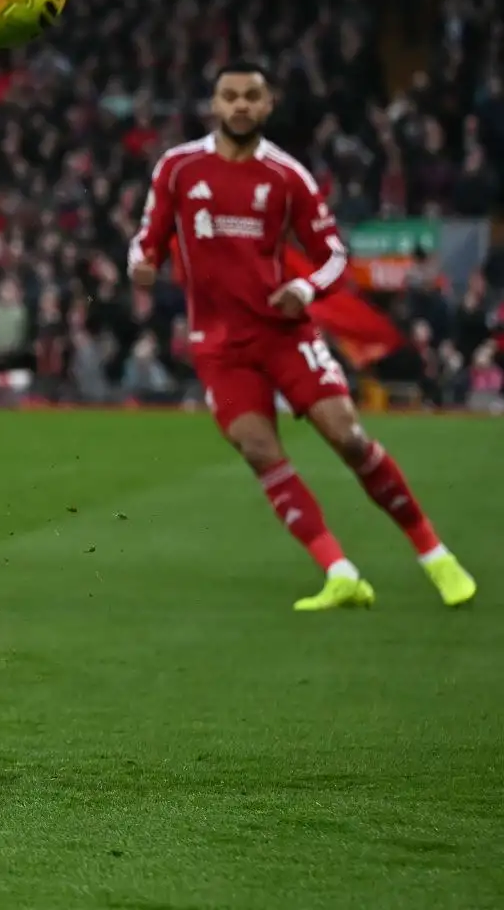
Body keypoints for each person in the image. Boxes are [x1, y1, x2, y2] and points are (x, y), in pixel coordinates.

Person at [129, 61, 476, 611]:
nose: (240, 105)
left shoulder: (288, 176)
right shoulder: (177, 168)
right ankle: (339, 573)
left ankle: (436, 557)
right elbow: (146, 237)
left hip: (282, 332)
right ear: (214, 105)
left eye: (251, 97)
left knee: (349, 438)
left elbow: (333, 254)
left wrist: (306, 290)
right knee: (257, 448)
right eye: (230, 96)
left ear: (267, 106)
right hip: (219, 344)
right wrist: (140, 263)